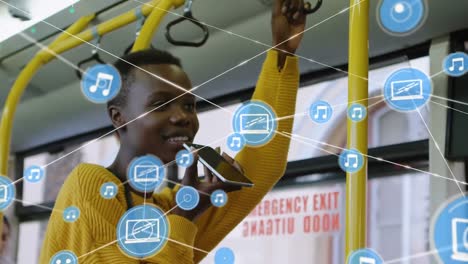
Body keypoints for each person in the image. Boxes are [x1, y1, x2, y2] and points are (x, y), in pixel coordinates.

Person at [40, 0, 307, 262]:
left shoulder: (164, 207)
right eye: (160, 105)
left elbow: (260, 170)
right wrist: (185, 216)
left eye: (189, 106)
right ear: (119, 118)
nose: (183, 117)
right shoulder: (89, 184)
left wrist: (283, 54)